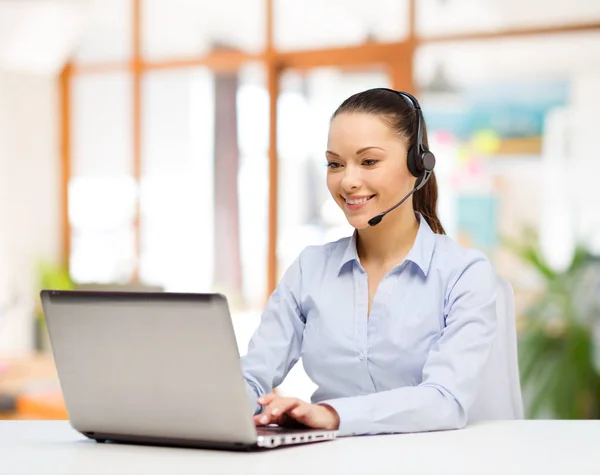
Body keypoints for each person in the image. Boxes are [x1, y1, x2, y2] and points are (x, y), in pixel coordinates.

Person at [240, 87, 497, 437]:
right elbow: (252, 374)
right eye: (335, 163)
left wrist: (332, 415)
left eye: (369, 161)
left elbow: (445, 400)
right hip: (328, 460)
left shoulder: (463, 273)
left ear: (417, 165)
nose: (347, 181)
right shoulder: (309, 269)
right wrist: (232, 404)